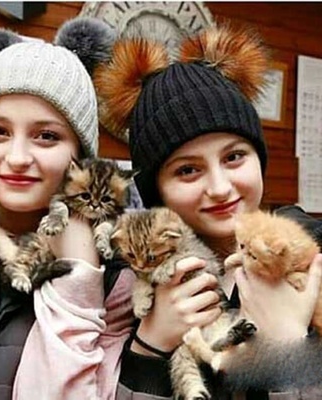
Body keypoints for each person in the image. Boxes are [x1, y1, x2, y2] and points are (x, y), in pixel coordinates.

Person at [94, 23, 322, 399]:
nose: (219, 187)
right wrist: (149, 349)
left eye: (234, 157)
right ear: (157, 192)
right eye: (188, 170)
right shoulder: (130, 288)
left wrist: (286, 347)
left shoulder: (311, 260)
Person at [0, 18, 143, 400]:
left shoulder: (116, 276)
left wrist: (78, 281)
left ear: (78, 154)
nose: (18, 157)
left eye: (46, 136)